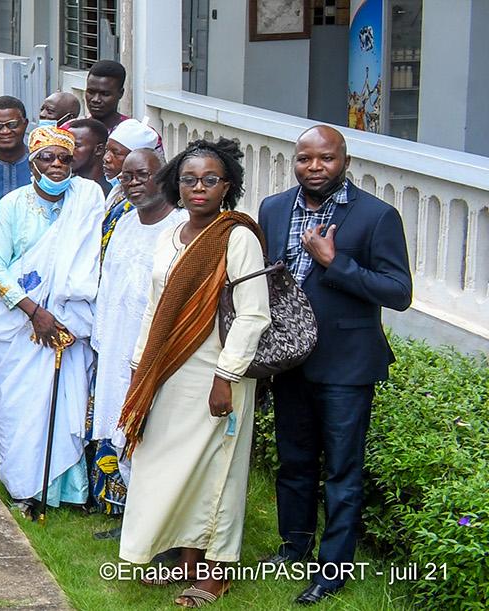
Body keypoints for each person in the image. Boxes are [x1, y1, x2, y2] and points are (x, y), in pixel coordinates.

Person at [261, 126, 413, 605]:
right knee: (295, 460)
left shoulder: (375, 216)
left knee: (342, 470)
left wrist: (335, 263)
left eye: (325, 158)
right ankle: (294, 546)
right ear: (295, 161)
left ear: (344, 160)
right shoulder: (273, 207)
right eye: (305, 158)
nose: (314, 167)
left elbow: (399, 292)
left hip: (346, 365)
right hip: (287, 361)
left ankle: (333, 569)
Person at [115, 138, 269, 608]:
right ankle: (183, 560)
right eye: (189, 179)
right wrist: (141, 366)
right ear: (175, 186)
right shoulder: (172, 233)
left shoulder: (237, 236)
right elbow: (156, 307)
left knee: (215, 469)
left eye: (210, 180)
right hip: (167, 370)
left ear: (228, 187)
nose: (198, 188)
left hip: (217, 371)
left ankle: (214, 571)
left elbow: (253, 314)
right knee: (166, 463)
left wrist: (227, 376)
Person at [0, 126, 107, 508]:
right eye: (46, 158)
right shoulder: (12, 206)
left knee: (63, 401)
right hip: (19, 326)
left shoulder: (85, 201)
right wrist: (35, 313)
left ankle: (65, 490)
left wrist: (61, 317)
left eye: (63, 158)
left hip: (67, 323)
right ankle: (26, 486)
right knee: (20, 404)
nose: (55, 165)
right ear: (33, 163)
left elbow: (92, 264)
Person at [89, 148, 178, 517]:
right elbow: (106, 286)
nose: (133, 183)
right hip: (114, 345)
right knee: (119, 428)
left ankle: (155, 519)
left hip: (154, 351)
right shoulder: (124, 222)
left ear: (164, 177)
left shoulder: (180, 227)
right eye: (126, 177)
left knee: (152, 435)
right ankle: (125, 513)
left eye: (142, 174)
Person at [102, 118, 160, 191]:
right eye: (107, 150)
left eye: (116, 153)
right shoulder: (116, 190)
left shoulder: (141, 197)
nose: (106, 158)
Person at [62, 118, 110, 188]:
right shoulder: (62, 186)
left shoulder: (113, 189)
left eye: (76, 146)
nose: (67, 151)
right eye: (66, 145)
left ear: (99, 149)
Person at [84, 60, 129, 132]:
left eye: (105, 94)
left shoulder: (135, 133)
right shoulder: (70, 130)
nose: (96, 99)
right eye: (91, 92)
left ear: (121, 93)